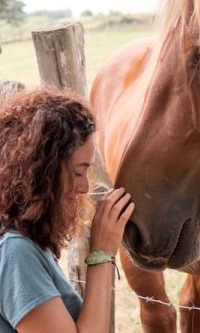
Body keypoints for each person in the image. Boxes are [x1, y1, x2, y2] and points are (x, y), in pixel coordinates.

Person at [0, 87, 135, 333]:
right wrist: (102, 253)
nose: (84, 187)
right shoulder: (16, 253)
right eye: (77, 172)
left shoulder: (21, 236)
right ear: (43, 173)